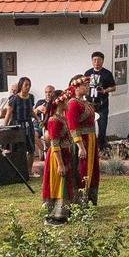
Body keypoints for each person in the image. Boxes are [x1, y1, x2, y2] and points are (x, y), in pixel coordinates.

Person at [41, 89, 79, 224]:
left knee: (64, 183)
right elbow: (55, 143)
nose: (69, 102)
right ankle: (54, 215)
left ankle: (63, 212)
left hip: (64, 153)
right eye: (66, 100)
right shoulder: (54, 120)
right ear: (60, 102)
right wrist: (60, 164)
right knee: (58, 183)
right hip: (57, 156)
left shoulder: (61, 118)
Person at [67, 75, 102, 206]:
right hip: (82, 141)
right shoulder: (73, 103)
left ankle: (90, 200)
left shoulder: (85, 102)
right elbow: (73, 126)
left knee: (92, 170)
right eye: (85, 85)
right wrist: (81, 146)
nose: (87, 87)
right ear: (76, 87)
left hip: (91, 140)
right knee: (82, 170)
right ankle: (80, 201)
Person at [84, 51, 118, 147]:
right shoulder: (88, 73)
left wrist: (105, 91)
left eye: (99, 60)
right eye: (94, 60)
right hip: (90, 104)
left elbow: (113, 87)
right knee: (89, 127)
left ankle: (102, 146)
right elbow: (84, 86)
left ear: (102, 61)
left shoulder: (107, 74)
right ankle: (91, 146)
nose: (96, 63)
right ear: (92, 61)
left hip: (102, 104)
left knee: (102, 126)